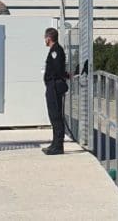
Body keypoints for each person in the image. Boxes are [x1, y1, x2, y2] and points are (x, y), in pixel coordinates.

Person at [42, 27, 69, 155]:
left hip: (54, 86)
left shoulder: (56, 51)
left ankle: (58, 145)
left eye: (45, 38)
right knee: (53, 115)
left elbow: (58, 69)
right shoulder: (55, 50)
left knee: (56, 115)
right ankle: (55, 143)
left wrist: (63, 75)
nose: (44, 40)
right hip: (52, 86)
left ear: (49, 38)